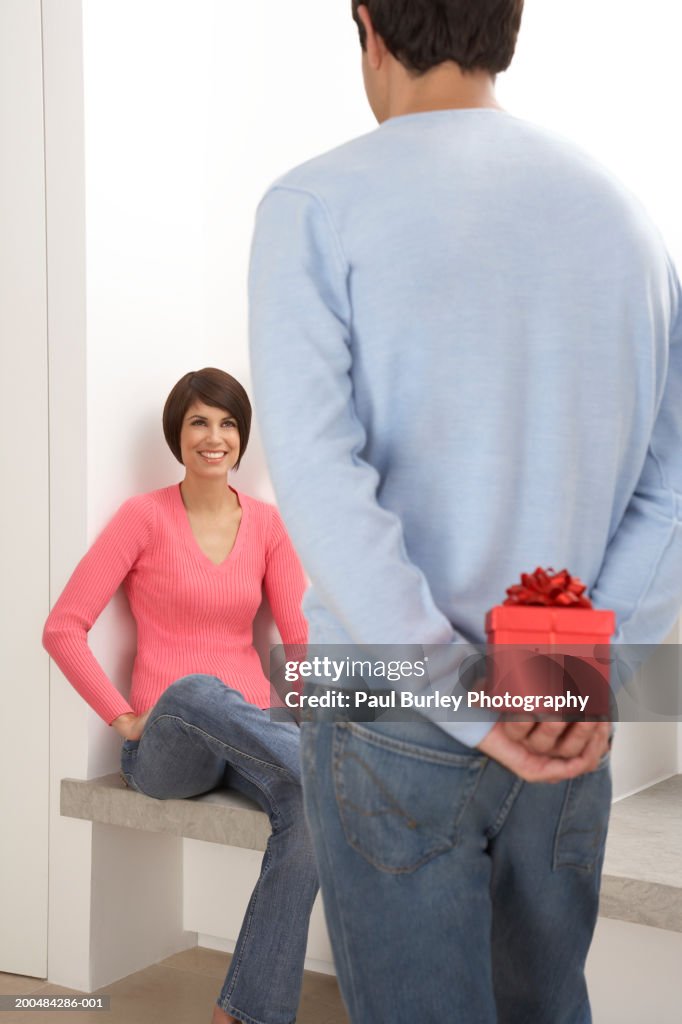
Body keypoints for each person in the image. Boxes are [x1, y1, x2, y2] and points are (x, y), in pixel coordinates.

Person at [248, 1, 682, 1021]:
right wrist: (590, 678)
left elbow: (317, 475)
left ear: (367, 24)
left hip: (387, 701)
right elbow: (669, 486)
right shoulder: (622, 215)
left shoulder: (314, 201)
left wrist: (462, 694)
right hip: (562, 702)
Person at [43, 368, 318, 1024]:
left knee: (311, 813)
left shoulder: (270, 528)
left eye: (227, 423)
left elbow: (302, 641)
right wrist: (123, 718)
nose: (214, 436)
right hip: (169, 747)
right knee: (196, 689)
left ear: (242, 438)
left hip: (249, 734)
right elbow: (62, 628)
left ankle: (248, 1013)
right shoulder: (143, 518)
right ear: (178, 434)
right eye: (199, 421)